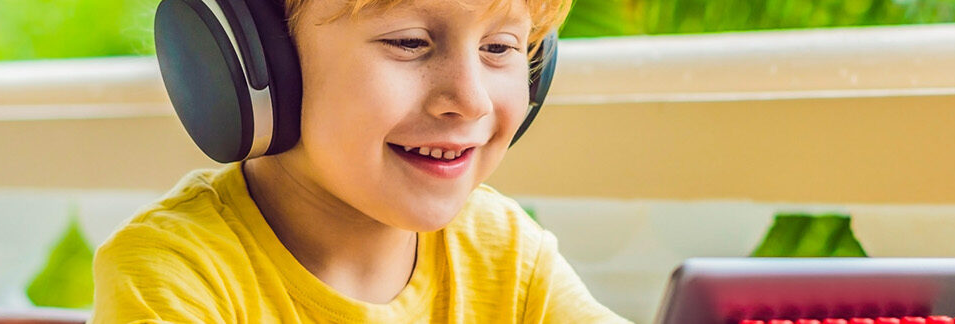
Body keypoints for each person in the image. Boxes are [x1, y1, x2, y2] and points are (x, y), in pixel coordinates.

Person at [90, 0, 628, 322]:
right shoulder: (176, 272)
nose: (472, 100)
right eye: (410, 41)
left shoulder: (507, 253)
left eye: (501, 47)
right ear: (258, 61)